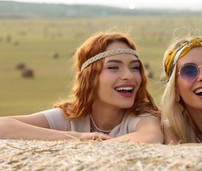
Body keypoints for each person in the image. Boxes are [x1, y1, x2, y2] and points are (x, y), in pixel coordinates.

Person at [0, 30, 163, 143]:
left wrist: (91, 147)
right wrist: (77, 138)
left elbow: (150, 136)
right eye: (113, 67)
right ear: (90, 77)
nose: (129, 75)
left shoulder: (140, 117)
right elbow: (3, 126)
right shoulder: (71, 117)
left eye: (134, 67)